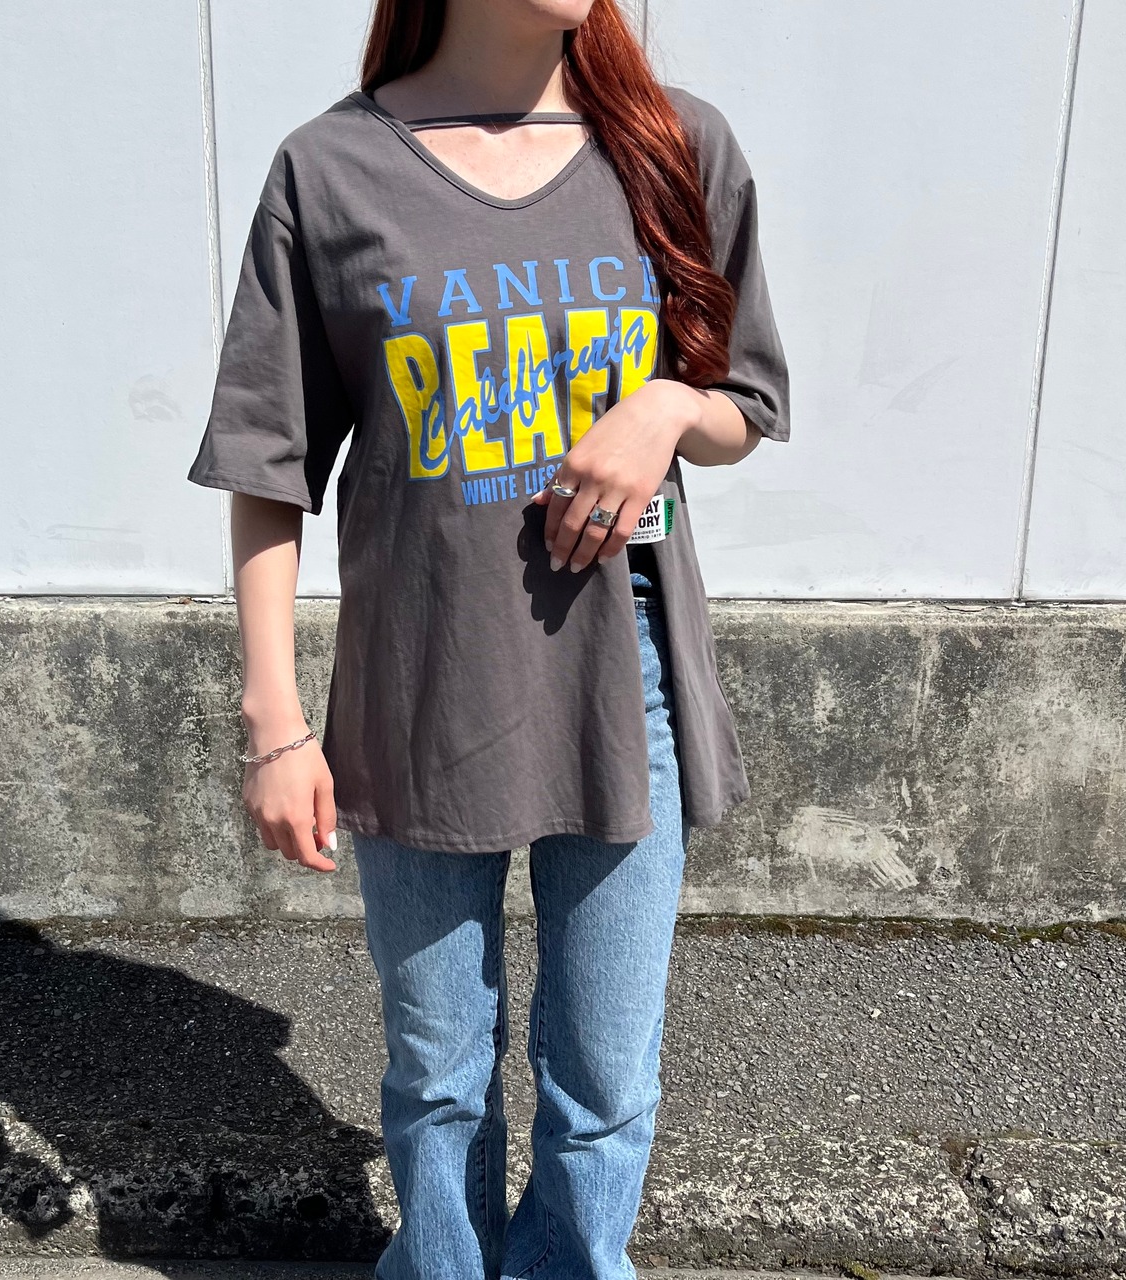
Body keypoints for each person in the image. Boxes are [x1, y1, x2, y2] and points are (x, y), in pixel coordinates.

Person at [185, 0, 790, 1274]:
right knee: (438, 1073)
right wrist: (273, 722)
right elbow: (266, 463)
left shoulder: (673, 146)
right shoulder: (330, 169)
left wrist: (665, 408)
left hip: (620, 676)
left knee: (604, 1079)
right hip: (419, 680)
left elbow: (745, 400)